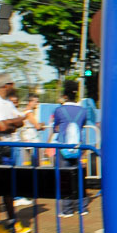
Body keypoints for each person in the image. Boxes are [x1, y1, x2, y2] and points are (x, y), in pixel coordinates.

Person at [48, 82, 90, 218]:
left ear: (65, 95)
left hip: (63, 148)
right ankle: (82, 207)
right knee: (78, 177)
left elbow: (56, 127)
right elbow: (82, 126)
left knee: (65, 177)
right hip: (78, 147)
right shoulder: (83, 111)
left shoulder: (59, 110)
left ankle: (67, 209)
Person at [0, 74, 28, 233]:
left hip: (6, 149)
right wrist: (12, 122)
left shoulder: (8, 102)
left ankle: (11, 222)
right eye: (12, 83)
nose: (14, 85)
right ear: (5, 85)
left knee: (8, 189)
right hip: (0, 149)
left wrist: (12, 122)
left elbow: (21, 121)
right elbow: (2, 127)